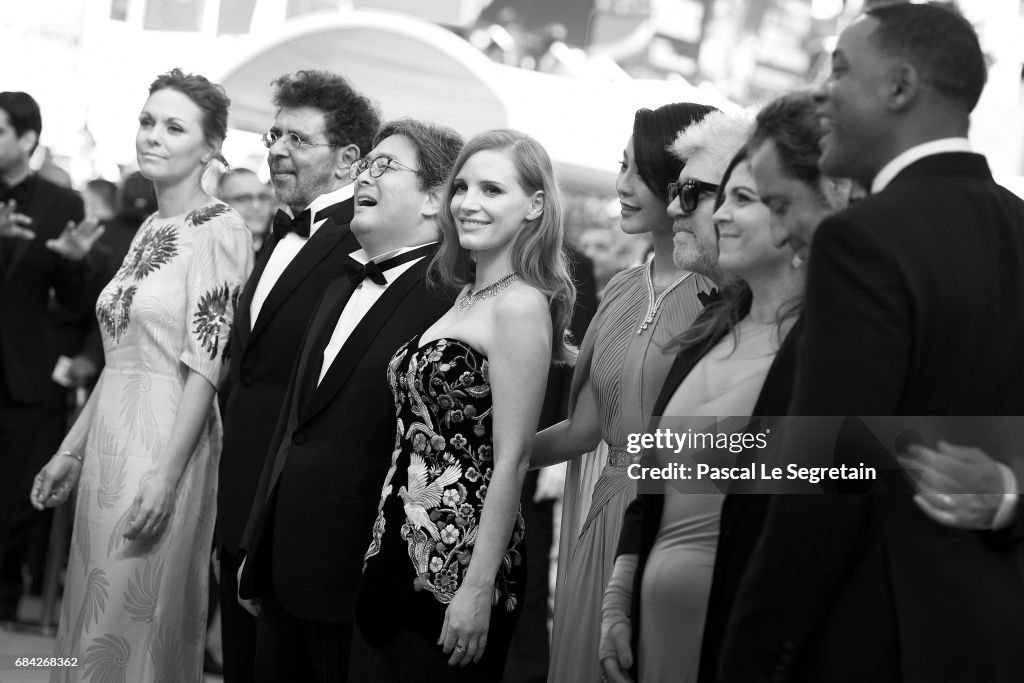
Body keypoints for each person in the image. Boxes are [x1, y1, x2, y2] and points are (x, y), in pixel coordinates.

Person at [720, 5, 1024, 681]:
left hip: (866, 637)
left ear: (900, 87)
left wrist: (752, 657)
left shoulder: (864, 239)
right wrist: (1007, 493)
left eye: (839, 69)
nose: (821, 92)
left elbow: (827, 476)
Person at [29, 68, 253, 681]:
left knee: (131, 627)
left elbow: (208, 364)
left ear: (210, 149)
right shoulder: (151, 229)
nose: (152, 136)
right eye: (148, 121)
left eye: (174, 127)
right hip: (108, 443)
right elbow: (120, 355)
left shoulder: (221, 229)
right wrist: (70, 452)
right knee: (88, 619)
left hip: (164, 443)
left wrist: (165, 474)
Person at [239, 118, 463, 682]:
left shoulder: (451, 303)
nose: (365, 175)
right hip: (284, 563)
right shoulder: (340, 284)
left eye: (385, 166)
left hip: (361, 584)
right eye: (366, 164)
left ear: (436, 198)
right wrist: (256, 546)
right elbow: (296, 424)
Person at [352, 129, 576, 682]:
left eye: (492, 190)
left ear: (535, 206)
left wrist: (476, 588)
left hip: (459, 568)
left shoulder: (521, 306)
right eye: (462, 188)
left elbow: (511, 459)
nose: (468, 204)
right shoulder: (467, 295)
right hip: (394, 549)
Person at [529, 102, 717, 683]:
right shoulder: (619, 288)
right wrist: (490, 451)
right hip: (605, 514)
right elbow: (585, 430)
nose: (621, 185)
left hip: (673, 520)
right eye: (621, 166)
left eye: (638, 172)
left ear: (681, 184)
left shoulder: (722, 296)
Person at [216, 69, 379, 683]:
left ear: (348, 160)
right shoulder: (281, 232)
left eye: (298, 140)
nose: (277, 149)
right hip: (237, 499)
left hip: (293, 521)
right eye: (274, 135)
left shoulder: (361, 243)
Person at [599, 113, 772, 683]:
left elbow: (850, 477)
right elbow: (654, 477)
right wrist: (621, 594)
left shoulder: (818, 343)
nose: (676, 206)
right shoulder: (710, 325)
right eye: (677, 190)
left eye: (694, 193)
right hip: (649, 636)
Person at [0, 90, 102, 623]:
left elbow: (75, 298)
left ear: (28, 140)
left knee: (14, 494)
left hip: (21, 369)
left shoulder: (62, 204)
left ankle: (5, 598)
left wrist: (76, 263)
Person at [217, 167, 276, 253]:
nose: (256, 206)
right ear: (220, 203)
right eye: (243, 199)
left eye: (263, 197)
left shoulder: (281, 250)